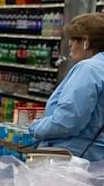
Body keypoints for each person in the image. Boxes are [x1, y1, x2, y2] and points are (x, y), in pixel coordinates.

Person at [29, 13, 104, 161]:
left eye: (72, 39)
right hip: (97, 159)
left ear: (86, 42)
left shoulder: (88, 69)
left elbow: (67, 121)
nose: (69, 44)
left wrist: (35, 128)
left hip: (73, 158)